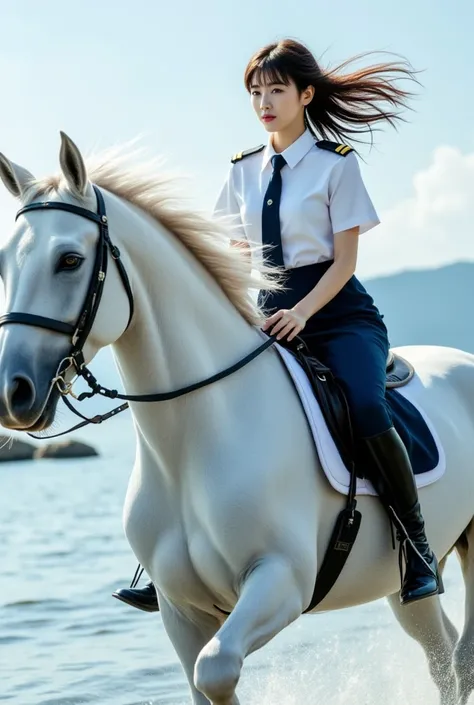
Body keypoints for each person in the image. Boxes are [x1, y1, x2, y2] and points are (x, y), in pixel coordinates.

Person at [113, 38, 442, 613]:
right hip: (267, 314)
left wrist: (302, 313)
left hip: (336, 315)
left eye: (276, 90)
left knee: (365, 405)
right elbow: (233, 254)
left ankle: (416, 546)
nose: (263, 102)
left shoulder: (336, 164)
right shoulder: (242, 171)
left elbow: (345, 263)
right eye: (255, 92)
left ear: (306, 94)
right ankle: (164, 555)